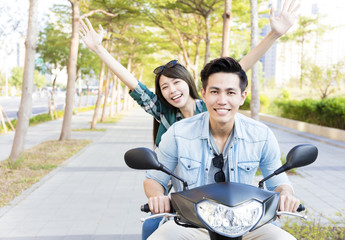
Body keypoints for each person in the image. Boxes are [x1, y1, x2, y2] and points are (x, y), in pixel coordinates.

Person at [79, 0, 300, 148]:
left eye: (175, 82)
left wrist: (274, 34)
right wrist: (99, 49)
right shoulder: (163, 113)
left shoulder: (211, 105)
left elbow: (240, 68)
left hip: (215, 185)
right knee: (152, 221)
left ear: (189, 82)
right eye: (164, 87)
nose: (171, 90)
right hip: (176, 189)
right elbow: (134, 85)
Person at [144, 57, 300, 240]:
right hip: (191, 223)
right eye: (215, 92)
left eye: (231, 92)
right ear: (203, 94)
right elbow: (154, 180)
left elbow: (279, 184)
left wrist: (286, 195)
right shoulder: (177, 133)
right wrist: (157, 197)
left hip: (248, 224)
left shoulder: (261, 135)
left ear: (242, 96)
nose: (222, 100)